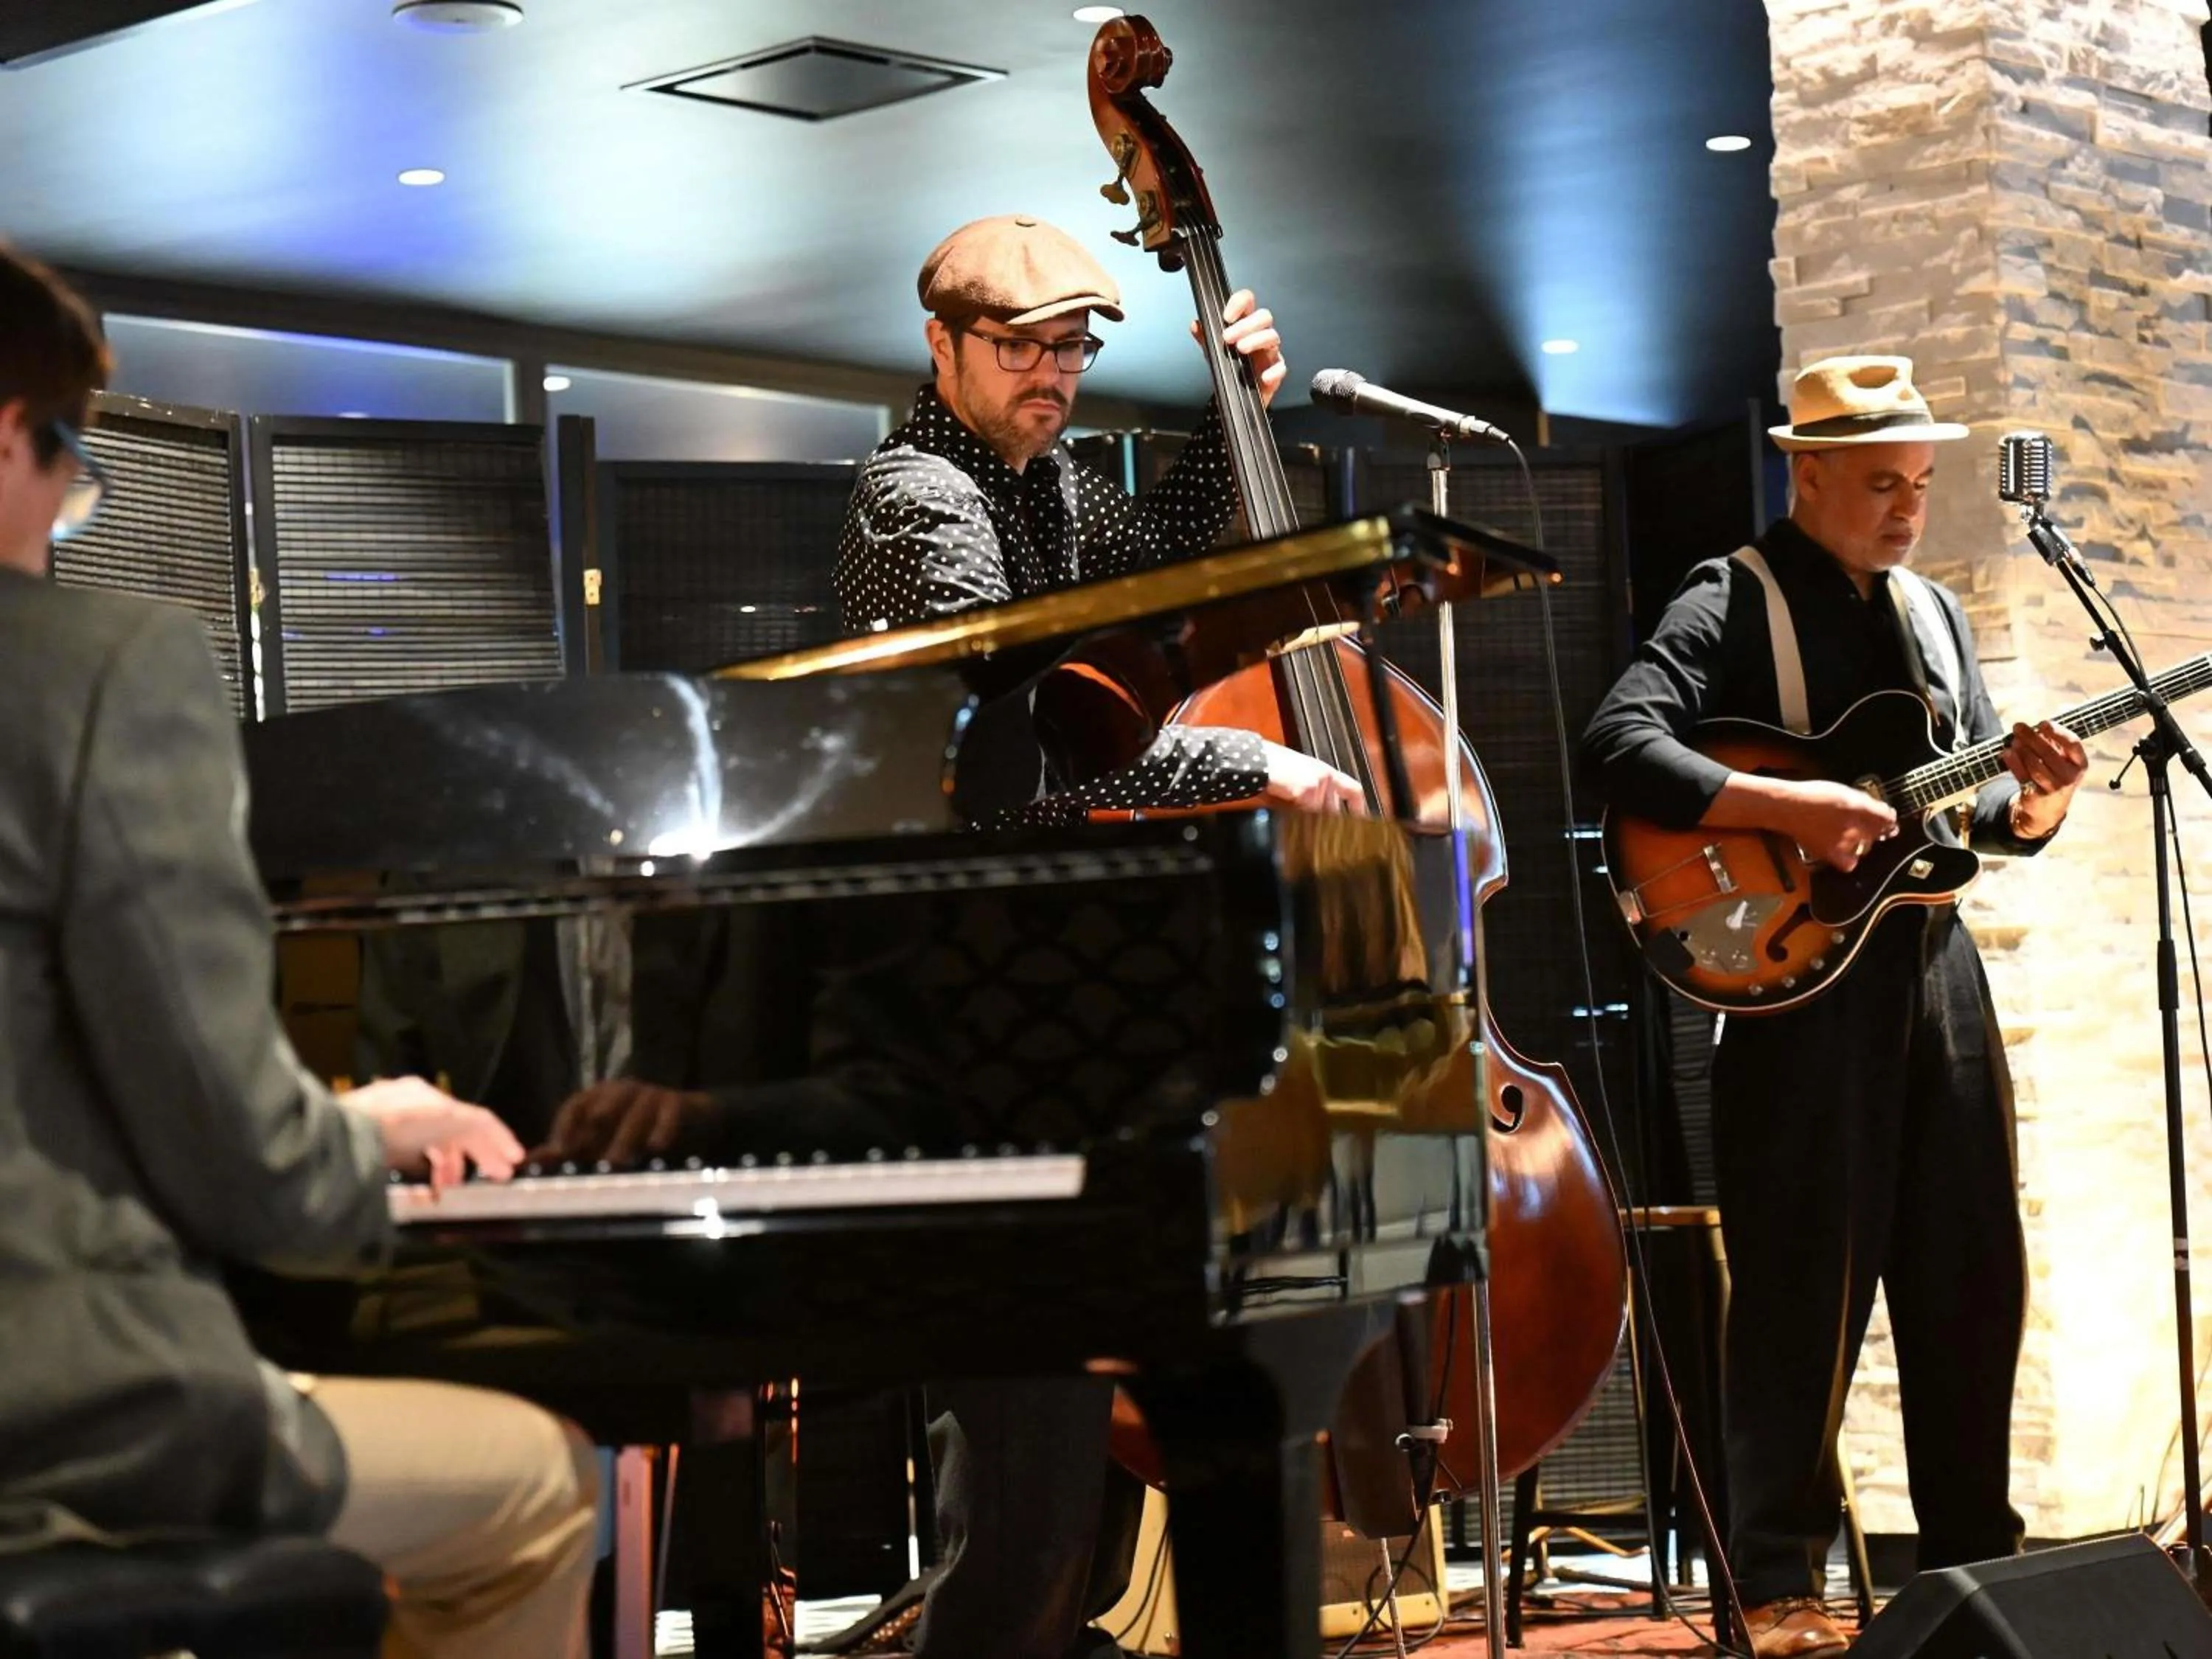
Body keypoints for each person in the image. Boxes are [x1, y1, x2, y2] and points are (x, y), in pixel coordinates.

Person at [0, 243, 599, 1659]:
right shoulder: (96, 672)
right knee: (544, 1488)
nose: (67, 522)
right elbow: (243, 1158)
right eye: (72, 473)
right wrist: (367, 1135)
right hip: (57, 1419)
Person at [1584, 356, 2086, 1657]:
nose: (1907, 509)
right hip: (1798, 992)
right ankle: (1774, 1583)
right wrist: (1788, 806)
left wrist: (2035, 801)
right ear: (1803, 473)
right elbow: (1622, 742)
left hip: (1934, 969)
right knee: (1804, 1286)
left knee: (1973, 1273)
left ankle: (1977, 1566)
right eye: (1879, 484)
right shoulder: (1727, 595)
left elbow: (1967, 813)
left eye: (1918, 484)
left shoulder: (1931, 612)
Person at [832, 211, 1361, 821]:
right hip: (955, 887)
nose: (1048, 375)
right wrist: (1260, 762)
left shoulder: (1047, 475)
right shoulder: (922, 490)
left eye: (1069, 346)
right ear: (942, 346)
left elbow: (1157, 553)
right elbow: (1032, 728)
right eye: (1016, 346)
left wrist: (1236, 408)